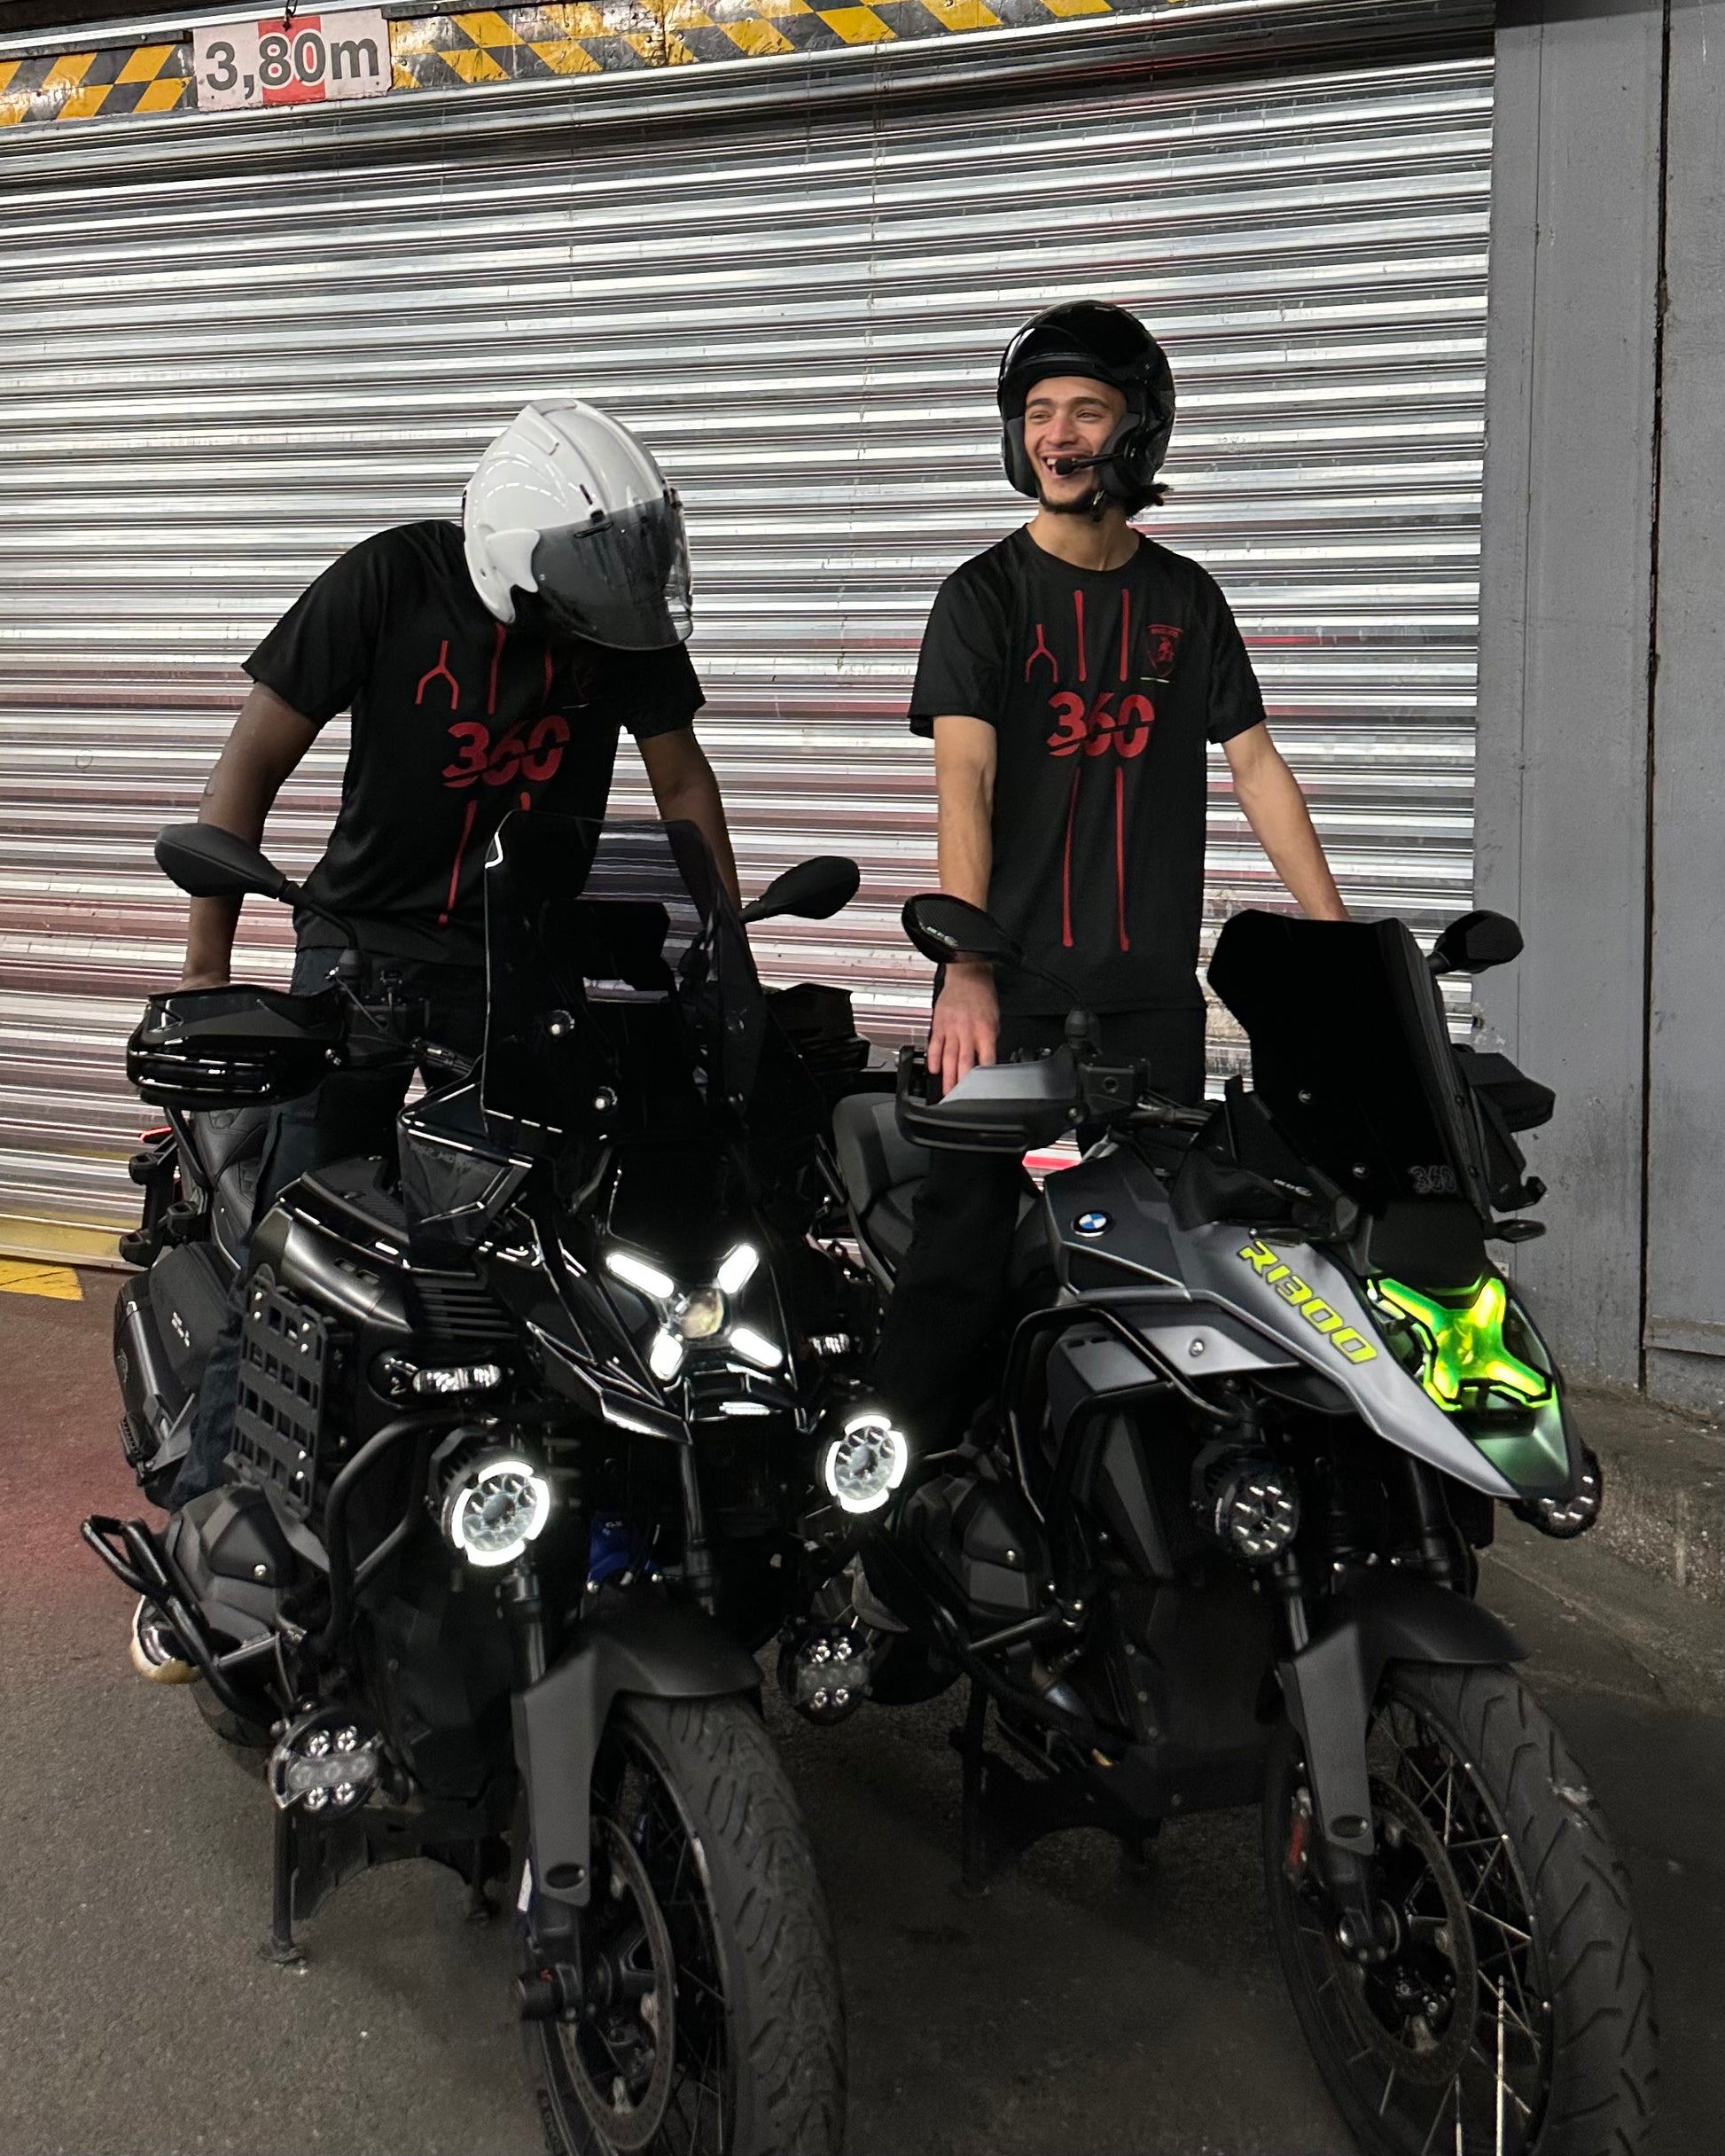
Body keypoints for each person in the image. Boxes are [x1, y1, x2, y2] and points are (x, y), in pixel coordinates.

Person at [144, 402, 739, 1620]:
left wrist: (723, 957)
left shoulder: (614, 607)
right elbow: (252, 762)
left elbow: (682, 779)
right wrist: (207, 970)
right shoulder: (388, 580)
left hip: (522, 962)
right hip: (363, 952)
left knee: (568, 1247)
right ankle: (210, 1554)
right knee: (297, 1252)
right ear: (518, 551)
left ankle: (547, 1516)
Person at [871, 300, 1346, 1446]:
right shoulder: (983, 597)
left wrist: (1338, 947)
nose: (1057, 435)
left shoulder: (1185, 600)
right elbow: (964, 784)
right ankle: (895, 1488)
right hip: (1005, 993)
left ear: (1138, 429)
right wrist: (966, 967)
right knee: (958, 1261)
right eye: (1037, 412)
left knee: (1162, 1273)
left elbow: (1257, 767)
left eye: (1084, 409)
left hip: (1147, 1003)